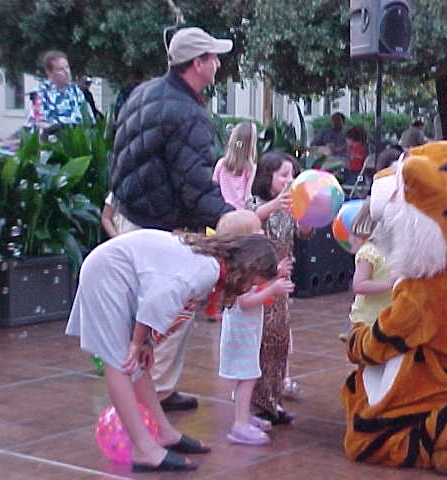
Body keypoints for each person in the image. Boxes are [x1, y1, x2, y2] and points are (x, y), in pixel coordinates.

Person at [66, 230, 279, 472]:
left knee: (138, 364)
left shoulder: (210, 261)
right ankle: (143, 450)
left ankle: (163, 432)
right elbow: (158, 298)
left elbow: (159, 292)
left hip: (118, 273)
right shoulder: (206, 270)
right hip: (107, 274)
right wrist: (138, 342)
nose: (247, 289)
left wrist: (145, 343)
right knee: (120, 362)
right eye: (252, 283)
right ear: (246, 267)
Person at [110, 27, 235, 412]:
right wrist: (232, 219)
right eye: (213, 57)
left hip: (131, 217)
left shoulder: (144, 92)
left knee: (146, 316)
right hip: (161, 227)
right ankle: (153, 396)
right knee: (167, 314)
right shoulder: (187, 112)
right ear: (197, 64)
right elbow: (194, 184)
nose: (217, 63)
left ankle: (158, 390)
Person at [216, 210, 294, 445]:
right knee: (247, 377)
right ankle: (240, 424)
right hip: (242, 336)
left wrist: (275, 274)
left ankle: (245, 416)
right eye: (257, 231)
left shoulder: (246, 268)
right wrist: (273, 289)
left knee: (249, 376)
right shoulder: (239, 273)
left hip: (248, 332)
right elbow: (245, 301)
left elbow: (257, 287)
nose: (263, 233)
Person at [248, 151, 310, 424]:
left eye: (292, 175)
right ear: (266, 176)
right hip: (259, 280)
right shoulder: (256, 203)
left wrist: (309, 213)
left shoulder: (290, 207)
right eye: (283, 174)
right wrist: (275, 204)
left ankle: (273, 399)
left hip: (282, 280)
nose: (290, 180)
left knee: (280, 341)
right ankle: (255, 400)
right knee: (260, 340)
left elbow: (304, 231)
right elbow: (249, 220)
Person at [339, 198, 394, 342]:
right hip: (368, 322)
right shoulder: (369, 252)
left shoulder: (391, 249)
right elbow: (359, 285)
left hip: (387, 317)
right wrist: (390, 285)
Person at [27, 51, 94, 131]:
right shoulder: (40, 94)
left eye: (67, 67)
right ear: (49, 73)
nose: (66, 72)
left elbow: (89, 119)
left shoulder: (76, 91)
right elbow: (38, 123)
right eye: (60, 69)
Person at [213, 121, 258, 209]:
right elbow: (247, 196)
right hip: (239, 213)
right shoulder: (250, 167)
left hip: (221, 210)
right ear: (251, 144)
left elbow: (213, 187)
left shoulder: (221, 163)